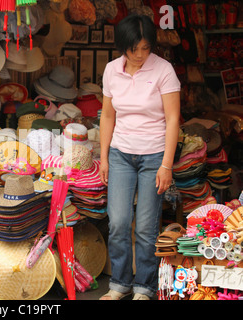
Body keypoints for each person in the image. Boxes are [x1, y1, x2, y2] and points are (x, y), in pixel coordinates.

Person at [99, 14, 181, 300]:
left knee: (146, 226)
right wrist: (105, 157)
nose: (139, 55)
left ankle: (145, 287)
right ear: (123, 46)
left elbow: (173, 120)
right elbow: (108, 115)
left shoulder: (164, 70)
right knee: (119, 221)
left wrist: (166, 165)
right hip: (120, 154)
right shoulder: (111, 70)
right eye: (134, 49)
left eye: (145, 49)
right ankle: (119, 284)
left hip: (154, 156)